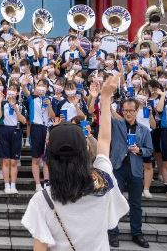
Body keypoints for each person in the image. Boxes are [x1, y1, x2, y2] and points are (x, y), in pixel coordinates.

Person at [21, 75, 130, 251]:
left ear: (49, 158)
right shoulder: (103, 183)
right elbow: (103, 140)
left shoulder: (42, 200)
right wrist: (105, 97)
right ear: (86, 151)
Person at [108, 98, 153, 248]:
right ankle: (113, 234)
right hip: (118, 168)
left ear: (136, 111)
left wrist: (139, 150)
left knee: (136, 204)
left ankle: (137, 234)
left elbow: (149, 150)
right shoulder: (116, 125)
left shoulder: (144, 130)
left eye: (131, 111)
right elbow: (105, 118)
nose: (128, 113)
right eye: (125, 110)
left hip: (135, 169)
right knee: (114, 202)